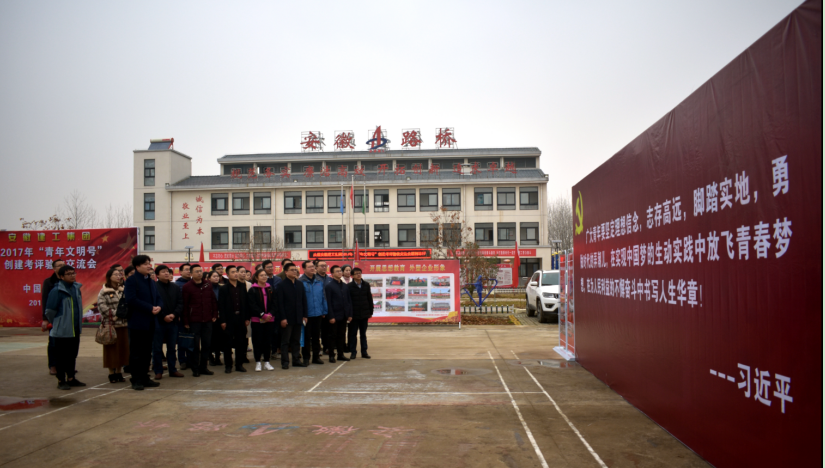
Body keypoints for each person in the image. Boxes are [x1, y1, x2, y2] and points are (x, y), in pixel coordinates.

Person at [124, 255, 163, 391]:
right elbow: (131, 299)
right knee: (137, 352)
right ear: (137, 266)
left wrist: (159, 307)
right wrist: (150, 308)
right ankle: (136, 379)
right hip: (138, 322)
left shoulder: (151, 281)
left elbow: (158, 297)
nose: (148, 266)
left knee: (147, 352)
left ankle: (145, 377)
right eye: (145, 264)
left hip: (151, 321)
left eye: (149, 263)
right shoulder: (132, 280)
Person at [44, 265, 86, 390]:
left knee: (72, 355)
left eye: (73, 273)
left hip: (75, 328)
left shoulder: (76, 289)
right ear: (61, 277)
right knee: (61, 357)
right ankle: (61, 380)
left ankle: (71, 378)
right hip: (62, 330)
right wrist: (59, 322)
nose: (72, 276)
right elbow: (50, 311)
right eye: (69, 274)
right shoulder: (57, 291)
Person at [181, 264, 218, 377]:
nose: (199, 273)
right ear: (191, 273)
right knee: (195, 346)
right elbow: (185, 305)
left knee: (206, 345)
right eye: (196, 271)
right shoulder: (187, 287)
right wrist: (186, 321)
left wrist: (214, 314)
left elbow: (213, 300)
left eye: (200, 271)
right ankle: (195, 368)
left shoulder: (208, 284)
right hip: (194, 321)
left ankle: (204, 367)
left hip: (207, 319)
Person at [98, 268, 129, 383]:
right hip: (111, 325)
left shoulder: (124, 290)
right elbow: (103, 308)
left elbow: (129, 305)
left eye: (119, 274)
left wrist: (124, 313)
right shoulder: (104, 291)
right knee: (111, 350)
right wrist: (118, 314)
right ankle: (111, 373)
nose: (118, 276)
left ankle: (119, 372)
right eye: (115, 274)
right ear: (109, 277)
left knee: (122, 349)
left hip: (124, 324)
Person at [153, 265, 184, 380]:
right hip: (158, 322)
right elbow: (153, 304)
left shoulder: (175, 287)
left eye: (167, 272)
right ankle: (158, 371)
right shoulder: (153, 287)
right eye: (163, 272)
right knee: (157, 348)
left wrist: (174, 314)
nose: (166, 273)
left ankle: (173, 370)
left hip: (172, 322)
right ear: (157, 275)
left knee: (172, 348)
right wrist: (163, 316)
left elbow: (180, 303)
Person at [218, 265, 250, 373]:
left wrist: (247, 318)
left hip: (241, 318)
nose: (235, 274)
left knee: (240, 342)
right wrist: (223, 320)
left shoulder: (242, 286)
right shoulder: (223, 288)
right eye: (232, 272)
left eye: (236, 271)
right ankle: (228, 365)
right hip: (228, 319)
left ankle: (239, 365)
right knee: (227, 343)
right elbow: (221, 306)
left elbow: (246, 303)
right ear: (227, 275)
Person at [275, 263, 307, 369]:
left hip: (298, 317)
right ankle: (285, 362)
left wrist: (304, 315)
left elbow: (303, 300)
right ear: (286, 272)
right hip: (287, 318)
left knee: (296, 340)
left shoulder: (299, 284)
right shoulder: (281, 285)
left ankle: (296, 360)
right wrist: (283, 318)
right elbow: (280, 303)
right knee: (285, 341)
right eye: (292, 270)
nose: (294, 271)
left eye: (295, 269)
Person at [248, 269, 276, 371]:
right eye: (261, 275)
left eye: (265, 275)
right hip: (257, 320)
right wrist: (262, 314)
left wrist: (270, 314)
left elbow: (275, 303)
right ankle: (258, 362)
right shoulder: (252, 290)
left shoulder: (270, 288)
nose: (264, 277)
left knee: (268, 341)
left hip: (270, 319)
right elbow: (252, 305)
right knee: (257, 341)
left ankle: (267, 362)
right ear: (256, 277)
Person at [299, 260, 327, 365]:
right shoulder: (300, 282)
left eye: (313, 266)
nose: (312, 268)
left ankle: (316, 357)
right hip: (306, 315)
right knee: (306, 337)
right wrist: (302, 314)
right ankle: (306, 358)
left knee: (316, 337)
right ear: (304, 269)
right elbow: (299, 300)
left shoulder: (319, 280)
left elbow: (323, 297)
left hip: (318, 313)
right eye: (309, 267)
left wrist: (324, 310)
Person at [324, 265, 352, 362]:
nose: (340, 273)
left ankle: (341, 354)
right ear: (332, 274)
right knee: (332, 336)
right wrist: (331, 316)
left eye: (340, 271)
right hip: (334, 316)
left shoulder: (345, 286)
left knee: (342, 335)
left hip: (343, 315)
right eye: (337, 271)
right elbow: (328, 302)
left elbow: (348, 301)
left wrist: (349, 314)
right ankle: (331, 355)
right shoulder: (329, 286)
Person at [42, 258, 65, 375]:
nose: (62, 267)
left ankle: (65, 365)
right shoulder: (49, 282)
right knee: (53, 343)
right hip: (54, 317)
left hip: (66, 317)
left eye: (63, 265)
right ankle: (53, 365)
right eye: (59, 265)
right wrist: (45, 319)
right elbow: (45, 301)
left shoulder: (68, 281)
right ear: (54, 268)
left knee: (66, 343)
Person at [347, 267, 373, 359]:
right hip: (353, 315)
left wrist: (370, 311)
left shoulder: (366, 285)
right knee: (352, 334)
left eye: (359, 273)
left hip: (364, 314)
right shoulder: (349, 286)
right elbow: (348, 301)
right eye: (356, 273)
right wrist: (349, 314)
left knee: (363, 334)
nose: (358, 275)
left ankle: (364, 352)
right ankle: (353, 352)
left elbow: (369, 298)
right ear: (352, 276)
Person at [314, 259, 333, 355]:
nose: (324, 267)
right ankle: (317, 349)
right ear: (316, 268)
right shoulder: (314, 279)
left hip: (328, 308)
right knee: (317, 331)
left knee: (327, 330)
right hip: (317, 308)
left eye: (325, 266)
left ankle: (326, 347)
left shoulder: (330, 279)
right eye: (321, 266)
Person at [207, 270, 225, 366]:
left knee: (219, 338)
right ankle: (210, 357)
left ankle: (218, 358)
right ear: (209, 278)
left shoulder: (222, 288)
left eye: (217, 276)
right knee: (210, 338)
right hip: (210, 317)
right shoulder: (206, 288)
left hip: (220, 316)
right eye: (214, 276)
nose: (216, 278)